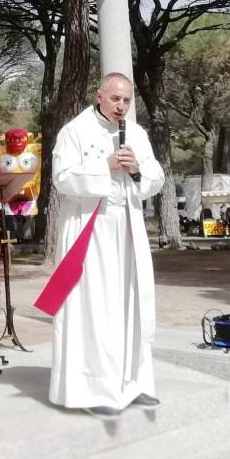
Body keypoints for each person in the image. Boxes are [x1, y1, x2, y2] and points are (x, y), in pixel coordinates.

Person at [49, 73, 165, 420]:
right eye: (115, 99)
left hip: (126, 227)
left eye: (127, 100)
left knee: (131, 303)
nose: (122, 106)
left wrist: (136, 171)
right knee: (95, 307)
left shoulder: (137, 133)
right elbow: (62, 180)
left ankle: (134, 382)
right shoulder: (75, 130)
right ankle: (92, 387)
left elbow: (156, 177)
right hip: (90, 229)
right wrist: (106, 166)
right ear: (99, 96)